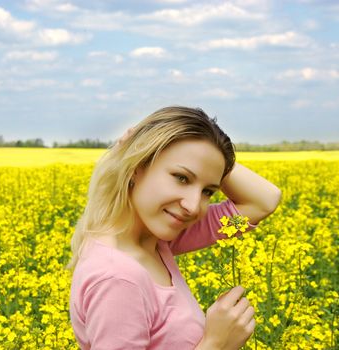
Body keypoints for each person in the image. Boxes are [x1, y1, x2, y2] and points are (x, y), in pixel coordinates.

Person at [68, 106, 282, 350]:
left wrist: (211, 159)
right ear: (137, 166)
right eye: (182, 178)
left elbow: (263, 201)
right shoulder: (119, 279)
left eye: (207, 191)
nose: (192, 206)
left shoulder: (156, 241)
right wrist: (216, 345)